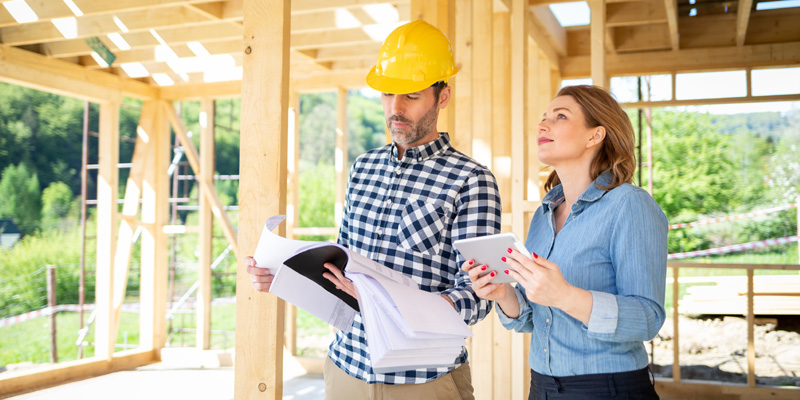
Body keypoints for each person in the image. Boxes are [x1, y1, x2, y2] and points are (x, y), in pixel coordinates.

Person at [245, 20, 502, 400]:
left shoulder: (471, 180)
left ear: (442, 96)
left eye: (411, 97)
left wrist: (401, 306)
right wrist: (287, 276)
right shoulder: (363, 167)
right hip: (346, 369)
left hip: (423, 382)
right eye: (386, 95)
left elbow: (480, 296)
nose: (395, 109)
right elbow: (341, 268)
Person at [464, 85, 668, 399]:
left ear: (594, 135)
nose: (542, 125)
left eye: (560, 116)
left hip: (608, 389)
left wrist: (564, 295)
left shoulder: (630, 205)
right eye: (544, 117)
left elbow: (647, 318)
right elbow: (532, 318)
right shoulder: (544, 215)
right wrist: (503, 292)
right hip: (543, 387)